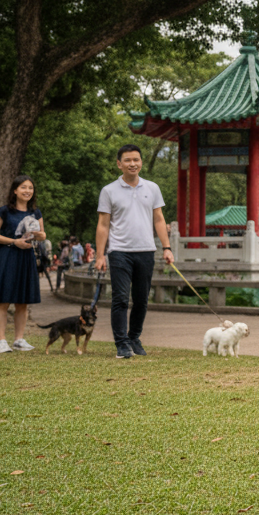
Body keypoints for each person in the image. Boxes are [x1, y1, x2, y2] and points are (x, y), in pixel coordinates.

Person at [95, 144, 174, 359]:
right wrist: (100, 255)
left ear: (141, 162)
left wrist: (166, 248)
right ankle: (121, 343)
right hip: (119, 251)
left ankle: (134, 337)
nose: (133, 164)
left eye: (136, 160)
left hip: (146, 250)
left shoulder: (152, 188)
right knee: (120, 298)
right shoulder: (109, 191)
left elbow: (158, 219)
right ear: (119, 164)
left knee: (141, 299)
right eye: (128, 160)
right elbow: (103, 225)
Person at [0, 175, 46, 352]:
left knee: (23, 301)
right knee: (3, 300)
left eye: (30, 188)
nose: (27, 191)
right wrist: (14, 241)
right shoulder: (4, 211)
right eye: (23, 187)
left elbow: (43, 235)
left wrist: (37, 235)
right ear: (15, 190)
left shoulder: (35, 213)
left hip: (26, 257)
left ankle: (19, 339)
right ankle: (1, 341)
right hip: (8, 255)